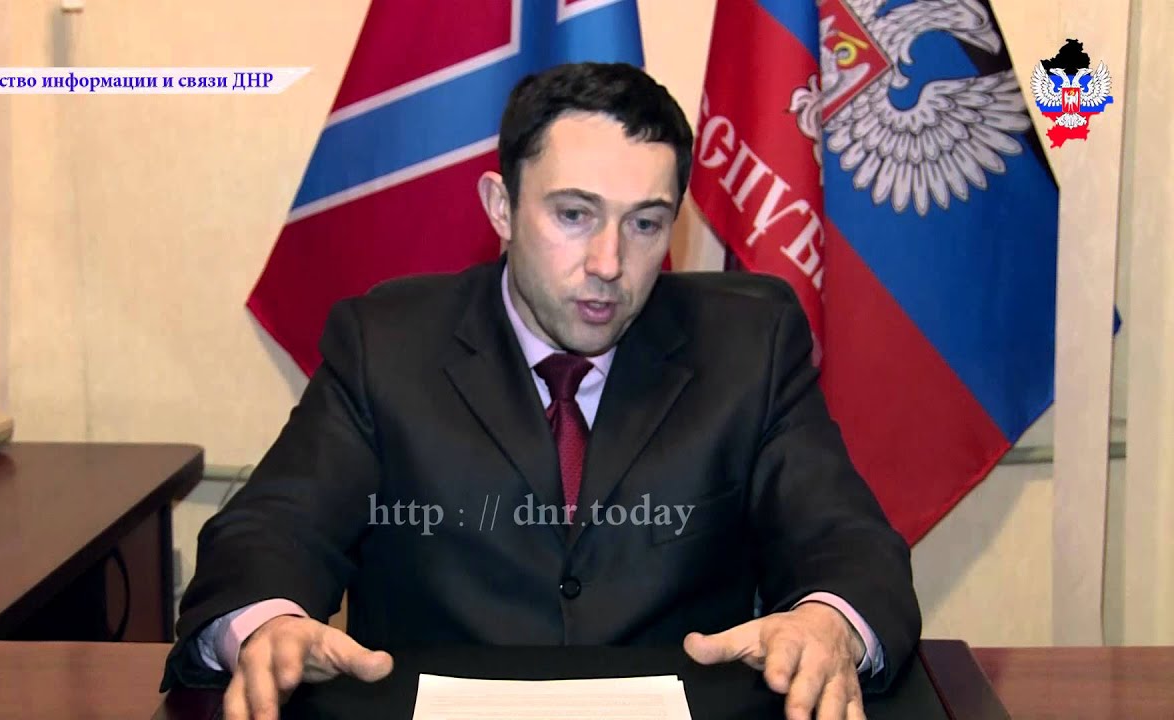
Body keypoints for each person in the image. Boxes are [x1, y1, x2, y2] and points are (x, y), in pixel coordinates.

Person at [162, 62, 921, 720]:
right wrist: (269, 625)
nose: (608, 263)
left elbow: (845, 539)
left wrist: (827, 622)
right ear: (501, 206)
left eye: (645, 223)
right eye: (574, 214)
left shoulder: (750, 346)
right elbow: (274, 528)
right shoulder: (384, 346)